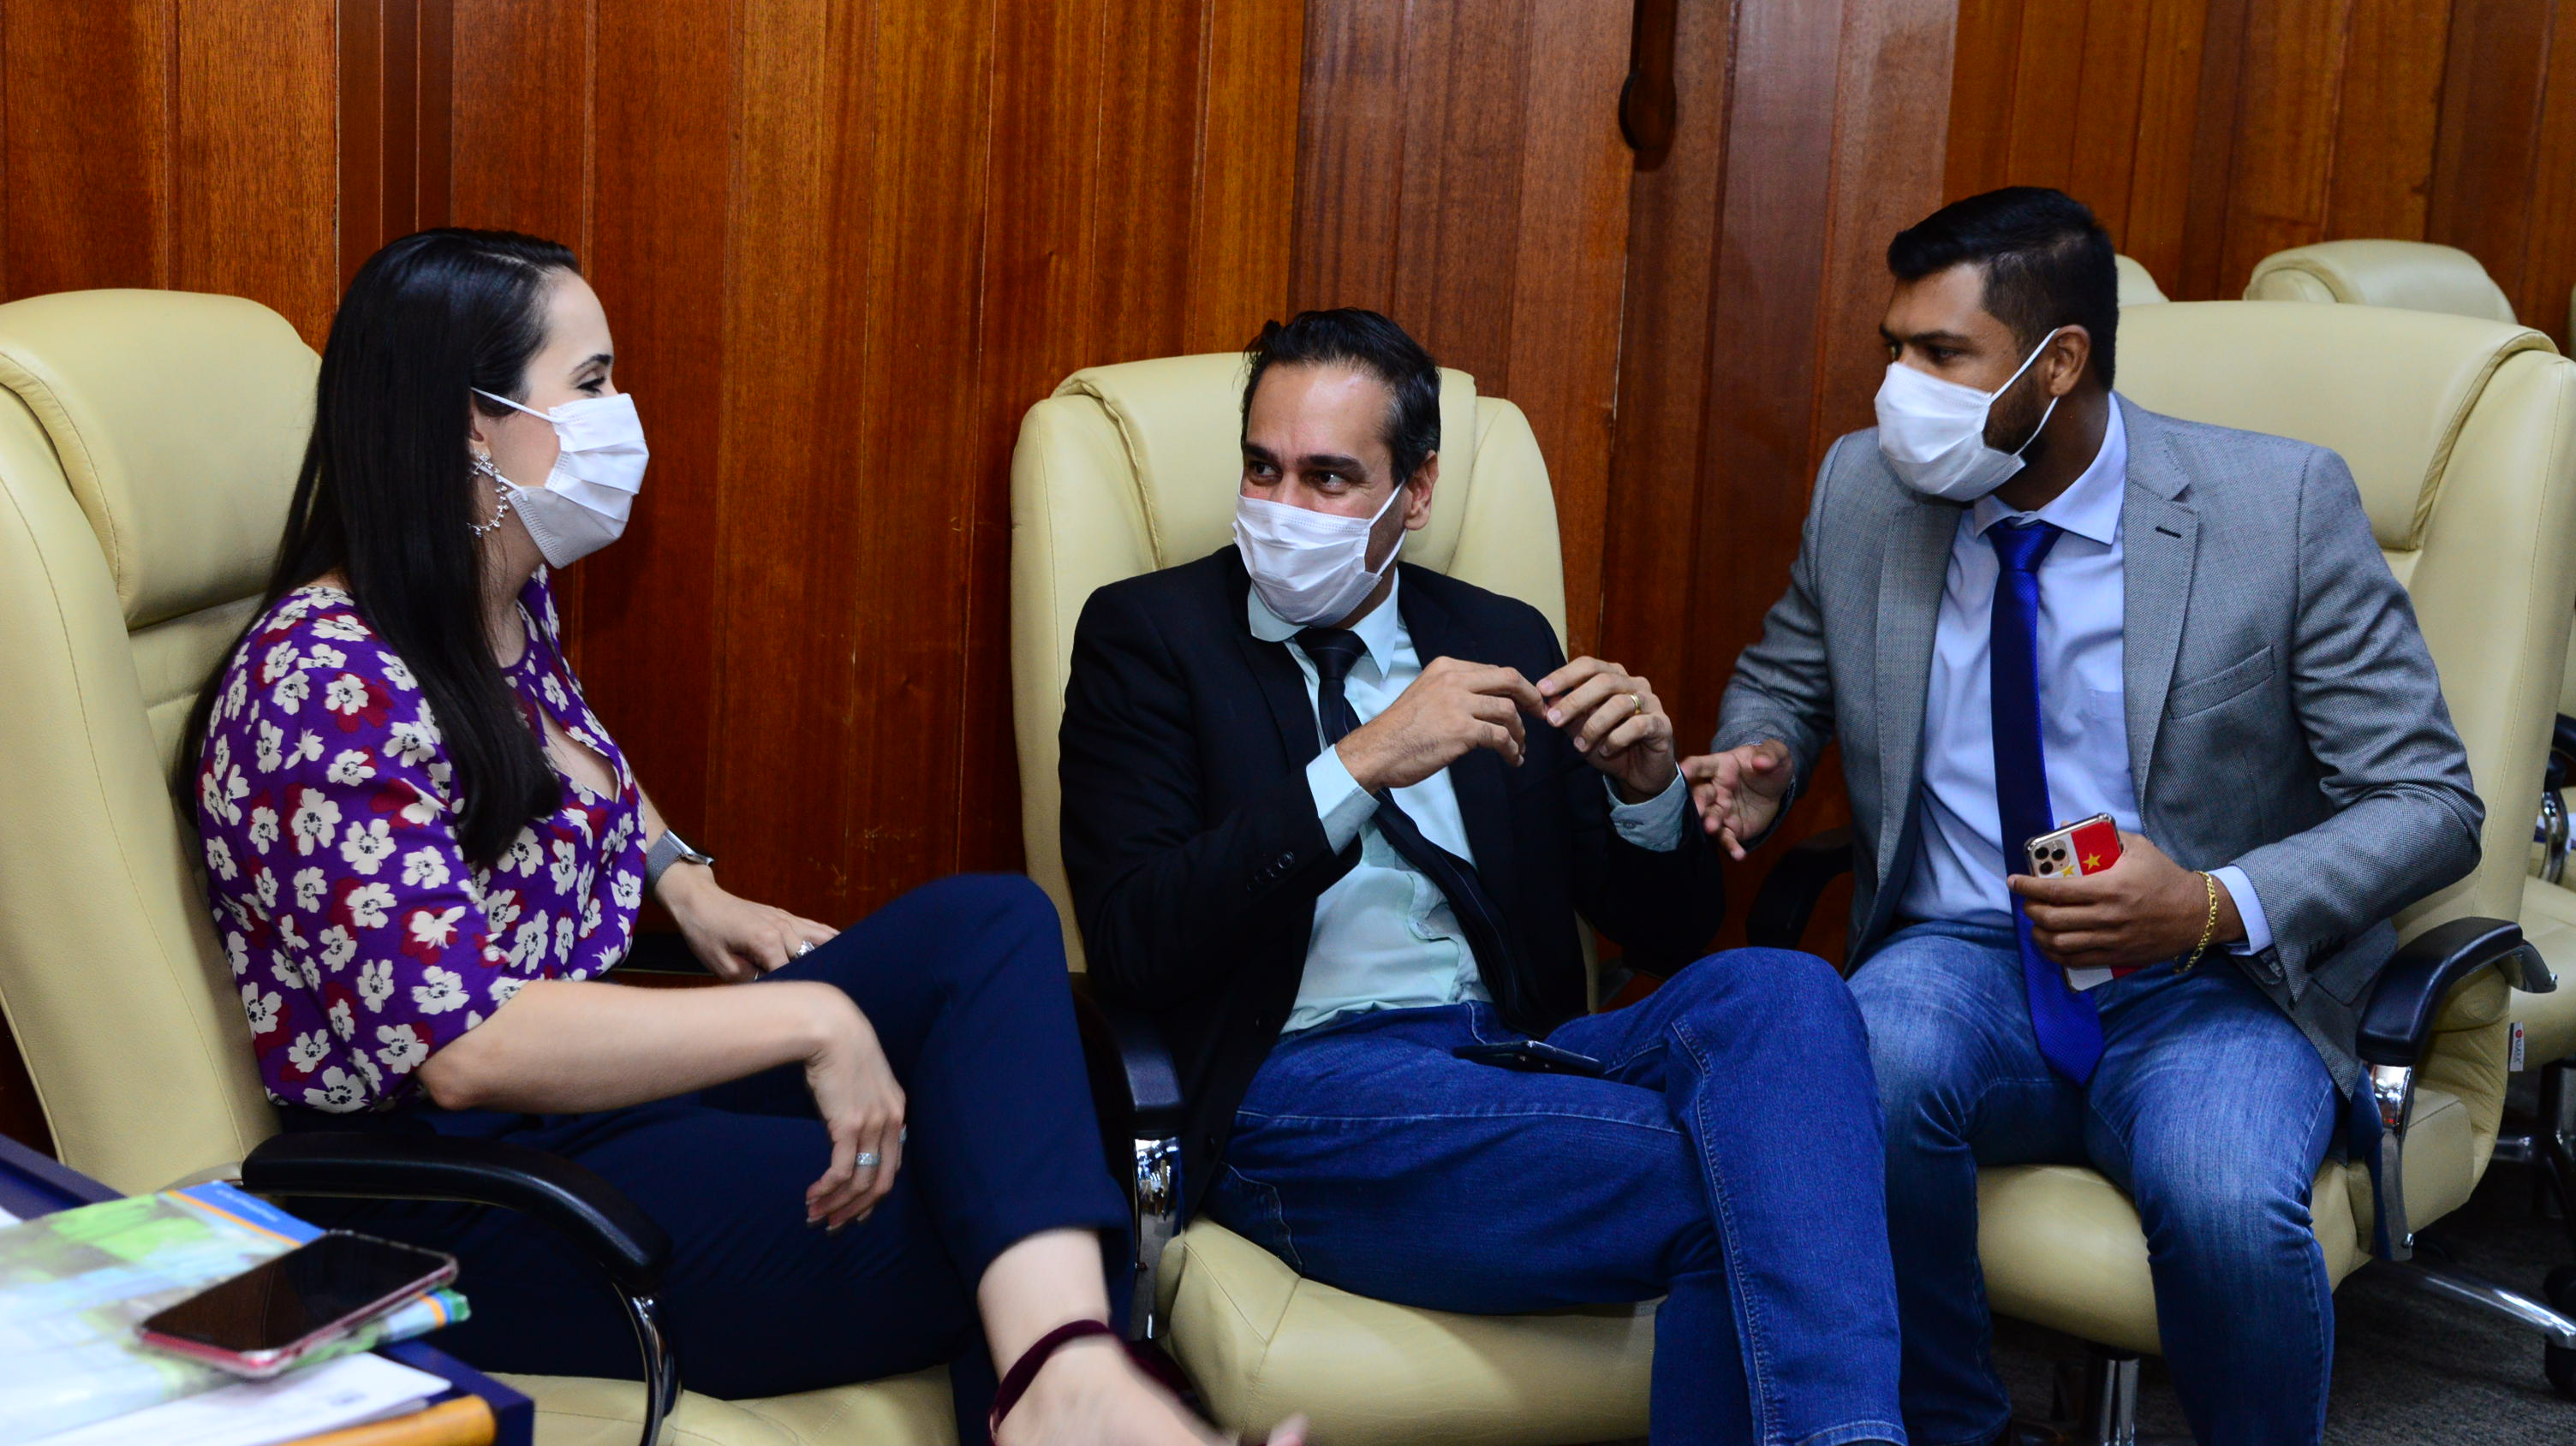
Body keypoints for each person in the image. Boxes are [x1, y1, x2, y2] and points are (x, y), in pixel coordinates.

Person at [187, 229, 1288, 1446]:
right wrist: (812, 1019)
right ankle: (1073, 1393)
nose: (624, 414)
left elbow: (572, 762)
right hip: (467, 1188)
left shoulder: (494, 592)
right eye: (592, 382)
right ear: (472, 427)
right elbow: (466, 1048)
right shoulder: (322, 685)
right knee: (1004, 1210)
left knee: (993, 930)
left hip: (592, 1099)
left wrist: (682, 879)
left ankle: (1065, 1386)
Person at [1691, 187, 2484, 1446]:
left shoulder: (2276, 508)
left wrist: (2210, 904)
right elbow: (1788, 675)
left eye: (1942, 354)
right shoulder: (1866, 487)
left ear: (2058, 363)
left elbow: (2431, 802)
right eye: (1893, 349)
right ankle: (1954, 1430)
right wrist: (1765, 758)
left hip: (2214, 982)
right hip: (1964, 952)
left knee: (2224, 1199)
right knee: (1856, 1073)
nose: (1900, 390)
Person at [1059, 307, 1908, 1446]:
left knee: (1789, 993)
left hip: (1518, 1056)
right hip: (1300, 1088)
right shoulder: (1148, 637)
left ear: (1415, 493)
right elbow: (1133, 939)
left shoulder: (1499, 636)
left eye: (1328, 478)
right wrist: (1361, 763)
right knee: (1758, 1179)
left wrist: (1648, 787)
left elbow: (1666, 929)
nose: (1281, 507)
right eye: (1262, 469)